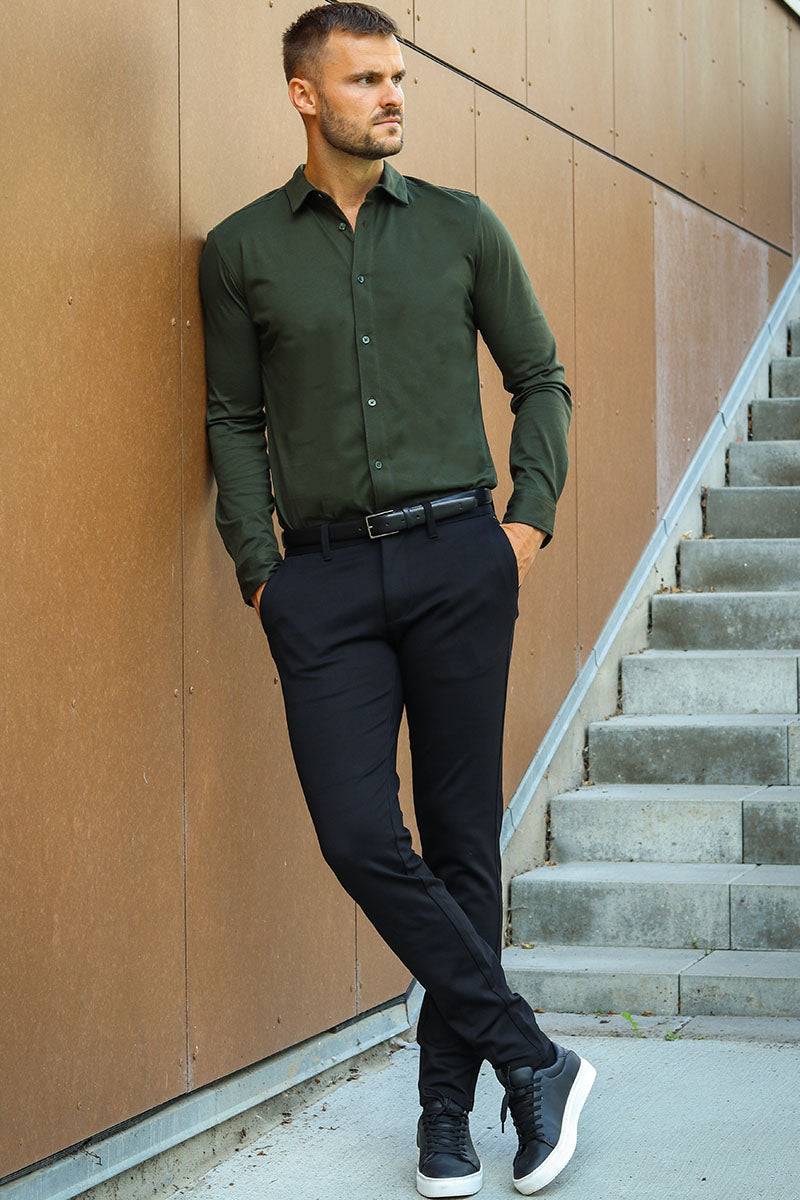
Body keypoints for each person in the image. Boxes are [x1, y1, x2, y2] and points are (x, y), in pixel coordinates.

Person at [199, 4, 595, 1196]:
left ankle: (445, 1112)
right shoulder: (241, 250)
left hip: (457, 560)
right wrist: (259, 570)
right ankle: (531, 1054)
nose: (392, 97)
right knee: (360, 835)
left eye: (398, 77)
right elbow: (232, 420)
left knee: (461, 839)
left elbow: (540, 378)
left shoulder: (462, 228)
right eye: (365, 78)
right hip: (318, 582)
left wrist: (525, 523)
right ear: (303, 95)